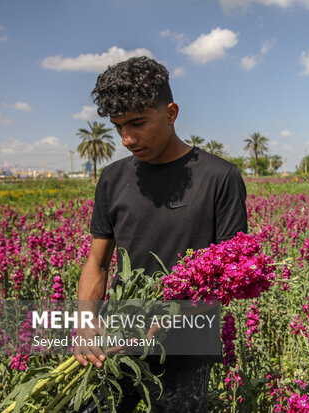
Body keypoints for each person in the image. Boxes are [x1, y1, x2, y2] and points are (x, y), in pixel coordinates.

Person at [74, 56, 248, 412]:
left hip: (186, 343)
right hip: (117, 338)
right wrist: (86, 322)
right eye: (118, 126)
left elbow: (232, 276)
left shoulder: (220, 178)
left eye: (137, 123)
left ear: (171, 112)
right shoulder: (111, 179)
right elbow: (97, 262)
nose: (127, 139)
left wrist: (172, 318)